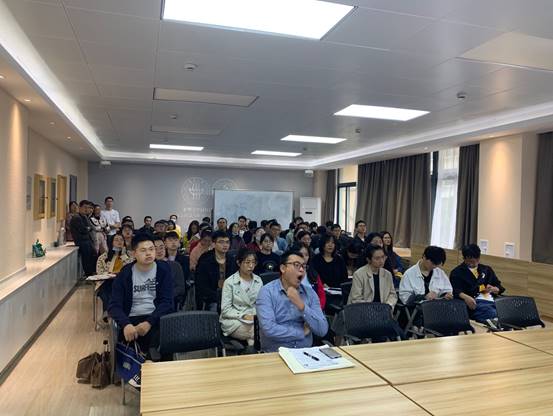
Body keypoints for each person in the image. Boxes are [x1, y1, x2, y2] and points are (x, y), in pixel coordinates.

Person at [109, 233, 174, 371]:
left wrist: (149, 322)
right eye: (143, 250)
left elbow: (167, 302)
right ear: (134, 254)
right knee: (131, 342)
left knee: (162, 336)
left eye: (151, 249)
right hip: (131, 319)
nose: (149, 253)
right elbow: (114, 305)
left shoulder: (163, 270)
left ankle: (152, 369)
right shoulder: (125, 273)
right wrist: (126, 324)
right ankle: (140, 372)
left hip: (156, 317)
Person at [256, 250, 328, 352]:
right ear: (283, 268)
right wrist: (301, 332)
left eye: (304, 266)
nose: (301, 270)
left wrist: (302, 306)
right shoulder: (267, 292)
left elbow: (322, 330)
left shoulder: (310, 293)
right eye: (296, 265)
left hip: (305, 352)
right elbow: (269, 329)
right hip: (276, 353)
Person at [450, 244, 505, 323]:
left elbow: (499, 286)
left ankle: (501, 324)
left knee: (508, 311)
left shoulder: (487, 270)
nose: (474, 264)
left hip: (493, 301)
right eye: (470, 261)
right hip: (475, 302)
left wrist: (495, 289)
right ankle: (497, 324)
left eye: (477, 260)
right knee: (493, 314)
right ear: (464, 258)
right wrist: (466, 297)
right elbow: (456, 291)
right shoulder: (457, 273)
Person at [220, 248, 263, 346]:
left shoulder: (258, 280)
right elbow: (225, 310)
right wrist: (243, 315)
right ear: (239, 263)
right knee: (257, 332)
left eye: (253, 262)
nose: (251, 266)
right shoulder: (229, 282)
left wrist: (255, 316)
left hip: (254, 318)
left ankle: (252, 349)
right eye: (247, 262)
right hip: (234, 320)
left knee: (260, 329)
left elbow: (261, 304)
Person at [195, 230, 237, 311]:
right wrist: (219, 297)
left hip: (230, 297)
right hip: (211, 299)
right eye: (221, 242)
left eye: (227, 242)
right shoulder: (205, 260)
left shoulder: (232, 260)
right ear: (214, 244)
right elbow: (201, 286)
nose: (225, 245)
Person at [96, 233, 133, 316]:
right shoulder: (103, 257)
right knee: (106, 288)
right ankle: (110, 312)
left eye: (121, 240)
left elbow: (130, 269)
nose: (119, 242)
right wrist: (109, 274)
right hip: (107, 282)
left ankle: (109, 313)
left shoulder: (129, 255)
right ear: (111, 243)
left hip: (124, 282)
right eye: (116, 240)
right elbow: (99, 272)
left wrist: (123, 255)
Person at [154, 234, 186, 310]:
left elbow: (180, 288)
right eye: (155, 248)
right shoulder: (147, 267)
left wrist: (165, 295)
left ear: (165, 248)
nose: (159, 251)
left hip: (169, 302)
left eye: (161, 248)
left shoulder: (175, 265)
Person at [291, 242, 326, 310]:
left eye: (306, 255)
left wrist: (317, 309)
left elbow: (321, 295)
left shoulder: (313, 274)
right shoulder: (287, 274)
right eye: (301, 254)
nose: (304, 257)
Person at [70, 200, 96, 276]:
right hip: (81, 241)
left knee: (93, 255)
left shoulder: (84, 217)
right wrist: (87, 229)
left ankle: (92, 273)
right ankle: (88, 274)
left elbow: (91, 228)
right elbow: (83, 230)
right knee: (87, 259)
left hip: (87, 240)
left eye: (88, 207)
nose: (86, 209)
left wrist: (87, 228)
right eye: (85, 207)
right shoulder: (76, 218)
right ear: (79, 207)